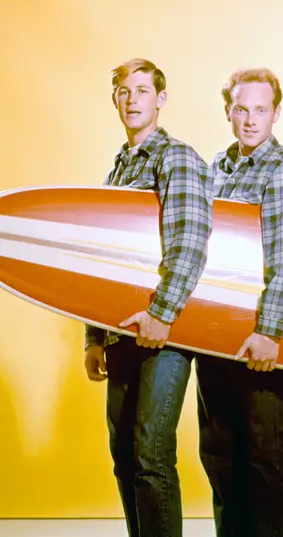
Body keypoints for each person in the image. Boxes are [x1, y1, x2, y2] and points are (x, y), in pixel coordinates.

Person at [84, 58, 212, 537]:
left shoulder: (176, 158)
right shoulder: (117, 170)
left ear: (160, 99)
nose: (132, 98)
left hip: (165, 331)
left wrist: (162, 314)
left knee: (150, 453)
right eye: (123, 90)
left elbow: (190, 242)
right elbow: (103, 263)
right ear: (114, 99)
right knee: (124, 456)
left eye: (142, 90)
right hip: (119, 331)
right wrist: (93, 336)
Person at [196, 67, 283, 537]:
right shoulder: (214, 169)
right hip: (212, 339)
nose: (250, 120)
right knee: (220, 456)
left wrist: (269, 331)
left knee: (265, 461)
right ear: (228, 111)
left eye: (261, 110)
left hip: (257, 340)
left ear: (277, 113)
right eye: (241, 109)